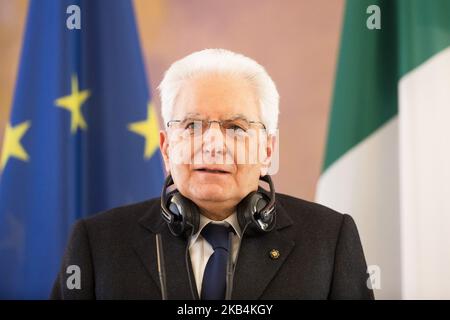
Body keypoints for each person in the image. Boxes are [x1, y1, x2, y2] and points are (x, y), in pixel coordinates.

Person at [51, 49, 374, 299]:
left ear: (267, 150)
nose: (213, 145)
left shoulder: (329, 238)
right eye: (192, 126)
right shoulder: (98, 242)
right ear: (166, 148)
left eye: (236, 128)